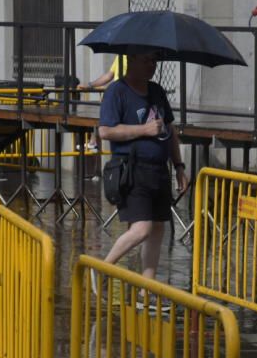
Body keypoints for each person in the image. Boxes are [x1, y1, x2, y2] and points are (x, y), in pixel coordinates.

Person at [98, 50, 187, 281]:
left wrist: (179, 166)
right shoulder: (117, 91)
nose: (152, 65)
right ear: (131, 60)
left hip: (159, 169)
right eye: (146, 59)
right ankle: (101, 269)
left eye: (155, 61)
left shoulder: (156, 91)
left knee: (158, 229)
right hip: (132, 169)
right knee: (142, 228)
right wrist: (143, 130)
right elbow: (106, 131)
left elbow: (170, 130)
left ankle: (146, 289)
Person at [77, 55, 127, 178]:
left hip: (123, 95)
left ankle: (94, 142)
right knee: (104, 115)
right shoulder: (120, 56)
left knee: (107, 118)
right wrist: (90, 84)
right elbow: (109, 75)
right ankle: (94, 142)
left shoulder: (133, 56)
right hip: (116, 94)